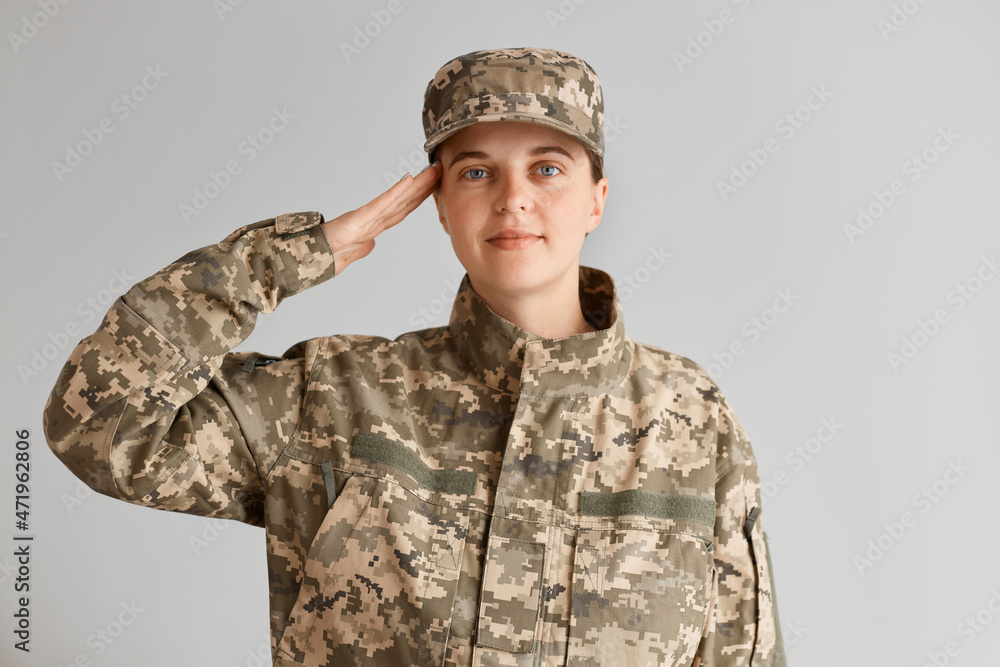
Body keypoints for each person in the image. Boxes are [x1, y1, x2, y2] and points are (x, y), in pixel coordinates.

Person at [43, 47, 785, 666]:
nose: (512, 198)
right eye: (474, 170)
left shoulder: (690, 419)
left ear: (597, 198)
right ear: (437, 203)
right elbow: (99, 422)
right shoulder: (336, 398)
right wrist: (298, 254)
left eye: (549, 167)